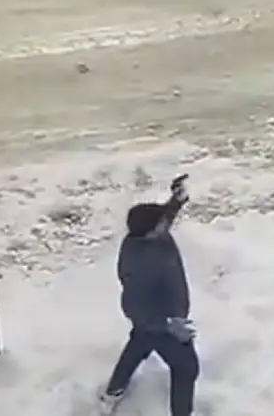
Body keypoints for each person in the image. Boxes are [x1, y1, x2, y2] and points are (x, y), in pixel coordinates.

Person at [99, 174, 199, 416]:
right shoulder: (139, 265)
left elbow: (162, 216)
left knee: (139, 342)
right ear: (149, 232)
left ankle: (113, 391)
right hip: (161, 322)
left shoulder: (149, 235)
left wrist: (177, 200)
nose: (167, 225)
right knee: (186, 368)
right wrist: (168, 324)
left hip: (157, 322)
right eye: (161, 224)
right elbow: (135, 307)